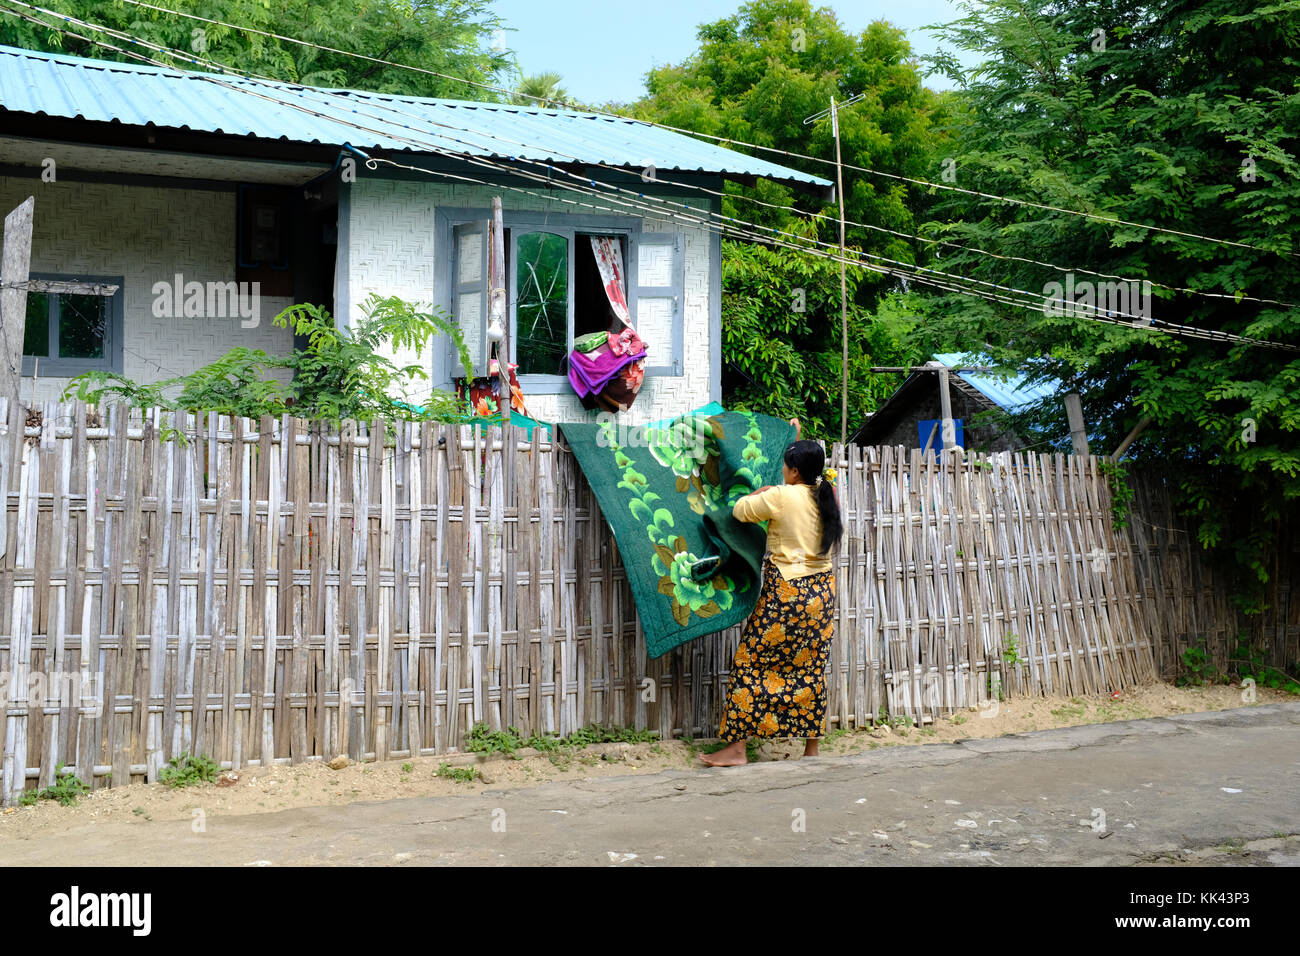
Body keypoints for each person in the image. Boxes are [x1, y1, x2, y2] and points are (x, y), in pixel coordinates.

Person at [700, 421, 844, 767]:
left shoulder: (781, 495)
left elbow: (739, 512)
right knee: (809, 666)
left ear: (793, 471)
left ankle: (736, 749)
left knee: (751, 663)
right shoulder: (827, 494)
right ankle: (811, 750)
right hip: (822, 593)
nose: (782, 471)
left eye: (785, 466)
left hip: (788, 593)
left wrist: (756, 494)